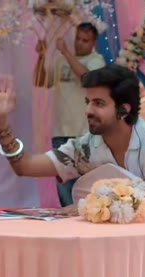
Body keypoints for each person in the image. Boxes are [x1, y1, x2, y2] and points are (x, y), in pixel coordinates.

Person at [0, 64, 145, 213]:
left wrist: (86, 207)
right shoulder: (86, 147)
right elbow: (25, 166)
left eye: (98, 103)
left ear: (123, 110)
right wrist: (1, 125)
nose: (88, 111)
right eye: (87, 102)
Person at [34, 22, 106, 206]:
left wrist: (66, 52)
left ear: (93, 43)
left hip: (85, 132)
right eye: (78, 39)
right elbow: (40, 81)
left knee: (85, 181)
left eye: (85, 40)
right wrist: (41, 57)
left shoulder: (96, 61)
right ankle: (67, 216)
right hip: (60, 131)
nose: (80, 43)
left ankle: (85, 214)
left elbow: (87, 78)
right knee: (63, 182)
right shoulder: (61, 61)